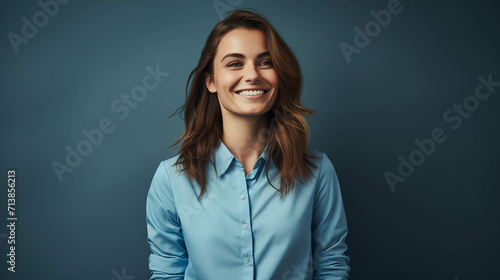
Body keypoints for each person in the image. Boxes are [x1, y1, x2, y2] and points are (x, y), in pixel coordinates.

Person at [146, 9, 350, 280]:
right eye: (235, 64)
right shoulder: (172, 179)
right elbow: (166, 274)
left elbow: (331, 266)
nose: (252, 75)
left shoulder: (317, 171)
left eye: (266, 62)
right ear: (210, 81)